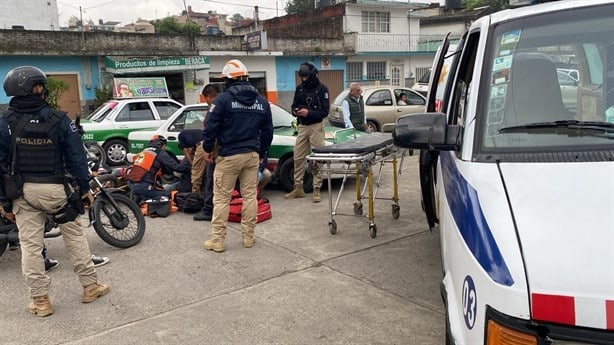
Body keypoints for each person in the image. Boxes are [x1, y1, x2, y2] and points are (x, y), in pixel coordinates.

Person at [0, 66, 109, 317]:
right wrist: (84, 189)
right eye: (41, 85)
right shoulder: (60, 120)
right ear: (36, 89)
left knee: (30, 246)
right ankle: (90, 287)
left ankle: (41, 302)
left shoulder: (4, 123)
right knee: (74, 237)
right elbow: (77, 159)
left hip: (22, 193)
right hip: (57, 191)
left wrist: (4, 202)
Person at [202, 59, 273, 252]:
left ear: (228, 80)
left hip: (229, 156)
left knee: (221, 199)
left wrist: (207, 149)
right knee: (250, 197)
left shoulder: (222, 100)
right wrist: (262, 153)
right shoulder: (261, 101)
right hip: (251, 155)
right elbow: (268, 132)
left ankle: (217, 241)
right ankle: (249, 237)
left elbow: (210, 128)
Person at [284, 61, 330, 203]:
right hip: (302, 126)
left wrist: (308, 113)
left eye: (306, 77)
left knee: (317, 158)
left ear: (313, 75)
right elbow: (293, 106)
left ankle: (316, 189)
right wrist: (296, 112)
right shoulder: (300, 89)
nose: (304, 80)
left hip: (316, 126)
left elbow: (324, 111)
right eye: (302, 77)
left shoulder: (322, 89)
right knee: (298, 157)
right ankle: (298, 188)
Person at [126, 135, 191, 204]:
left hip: (131, 184)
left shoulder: (143, 152)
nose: (165, 148)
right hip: (144, 186)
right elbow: (177, 168)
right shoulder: (159, 153)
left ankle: (142, 198)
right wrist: (192, 169)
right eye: (165, 146)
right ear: (161, 145)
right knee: (168, 195)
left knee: (148, 192)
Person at [193, 84, 221, 221]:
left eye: (206, 98)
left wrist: (207, 149)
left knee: (210, 180)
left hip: (216, 149)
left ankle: (208, 210)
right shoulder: (230, 103)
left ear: (209, 95)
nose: (206, 101)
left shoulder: (216, 107)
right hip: (232, 149)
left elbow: (210, 130)